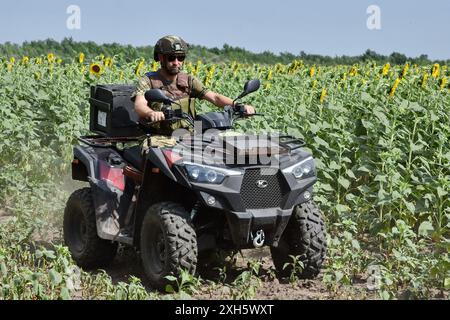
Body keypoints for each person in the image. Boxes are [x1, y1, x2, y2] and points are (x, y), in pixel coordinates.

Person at [131, 35, 255, 135]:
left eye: (180, 58)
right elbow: (140, 104)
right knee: (156, 157)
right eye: (171, 58)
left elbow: (214, 97)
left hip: (188, 135)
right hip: (158, 136)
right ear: (160, 58)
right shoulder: (148, 80)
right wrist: (151, 113)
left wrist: (239, 106)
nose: (176, 62)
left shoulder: (188, 80)